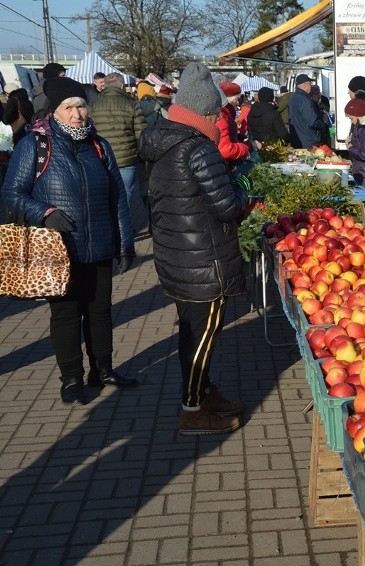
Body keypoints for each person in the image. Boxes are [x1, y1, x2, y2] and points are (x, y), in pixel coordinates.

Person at [1, 77, 137, 405]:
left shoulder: (99, 145)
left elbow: (118, 195)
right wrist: (45, 212)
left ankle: (103, 370)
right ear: (56, 112)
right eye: (69, 107)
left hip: (100, 242)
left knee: (100, 311)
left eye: (81, 105)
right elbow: (11, 193)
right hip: (59, 248)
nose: (77, 113)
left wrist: (125, 242)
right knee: (65, 315)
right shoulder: (34, 145)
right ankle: (72, 378)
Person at [138, 62, 248, 436]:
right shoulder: (199, 150)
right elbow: (227, 207)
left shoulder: (160, 141)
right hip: (203, 260)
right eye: (215, 114)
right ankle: (192, 409)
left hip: (175, 254)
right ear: (204, 113)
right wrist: (244, 194)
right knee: (202, 336)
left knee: (190, 332)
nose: (218, 121)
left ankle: (203, 393)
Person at [89, 72, 148, 235]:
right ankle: (124, 229)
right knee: (126, 194)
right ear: (122, 86)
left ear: (104, 85)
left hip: (101, 158)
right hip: (127, 159)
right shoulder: (132, 104)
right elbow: (141, 133)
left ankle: (108, 229)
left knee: (104, 194)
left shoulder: (93, 105)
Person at [216, 82, 253, 167]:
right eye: (236, 99)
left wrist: (238, 137)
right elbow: (225, 149)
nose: (238, 103)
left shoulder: (228, 114)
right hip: (225, 164)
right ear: (226, 99)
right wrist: (245, 147)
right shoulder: (221, 117)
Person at [288, 74, 325, 149]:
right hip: (308, 139)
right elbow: (312, 121)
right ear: (305, 85)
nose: (311, 86)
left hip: (298, 137)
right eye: (310, 84)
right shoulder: (304, 99)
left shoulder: (294, 97)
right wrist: (322, 125)